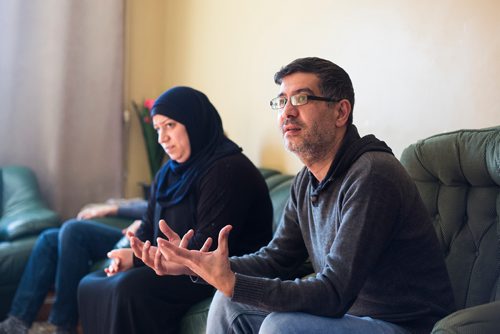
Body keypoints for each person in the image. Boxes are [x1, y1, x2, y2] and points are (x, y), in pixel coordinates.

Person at [135, 58, 456, 334]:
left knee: (280, 327)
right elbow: (276, 259)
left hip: (403, 324)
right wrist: (198, 266)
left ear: (341, 112)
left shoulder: (372, 175)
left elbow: (334, 291)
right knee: (228, 303)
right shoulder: (306, 181)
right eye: (281, 101)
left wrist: (235, 282)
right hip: (350, 317)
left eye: (301, 99)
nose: (287, 112)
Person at [77, 86, 273, 334]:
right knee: (90, 283)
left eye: (170, 125)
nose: (161, 138)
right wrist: (133, 252)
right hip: (176, 264)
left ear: (194, 122)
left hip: (214, 272)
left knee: (128, 289)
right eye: (158, 129)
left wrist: (138, 260)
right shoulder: (168, 173)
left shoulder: (228, 169)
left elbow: (207, 248)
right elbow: (149, 227)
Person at [0, 200, 147, 334]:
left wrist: (117, 210)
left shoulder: (167, 174)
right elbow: (150, 203)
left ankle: (64, 326)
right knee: (49, 239)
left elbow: (155, 207)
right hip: (133, 228)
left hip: (141, 238)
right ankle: (17, 322)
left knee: (73, 229)